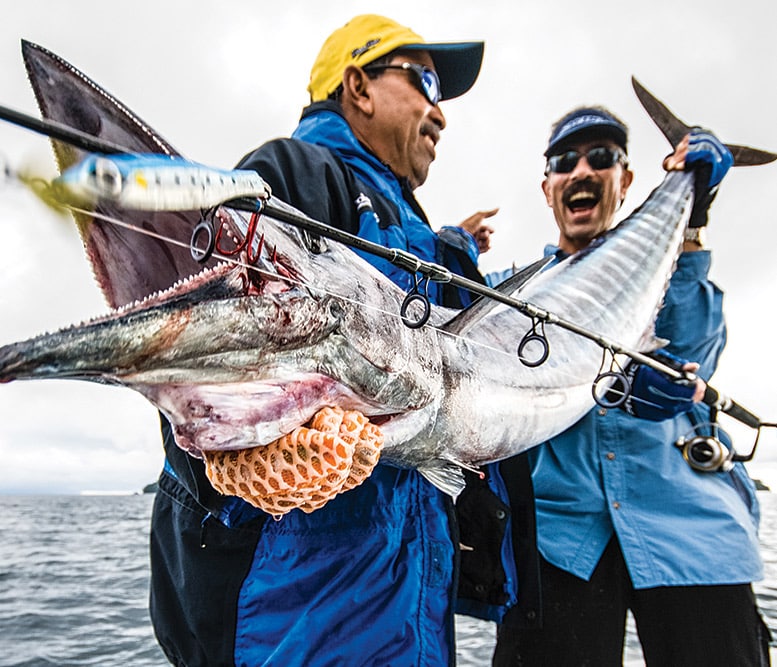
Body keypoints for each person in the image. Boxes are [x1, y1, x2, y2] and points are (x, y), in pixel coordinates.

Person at [148, 15, 523, 667]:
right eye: (425, 81)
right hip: (297, 612)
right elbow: (210, 349)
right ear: (359, 85)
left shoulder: (416, 231)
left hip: (410, 600)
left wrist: (450, 249)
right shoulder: (296, 170)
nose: (439, 113)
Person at [493, 107, 769, 666]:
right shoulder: (508, 291)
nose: (582, 171)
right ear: (547, 188)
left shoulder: (666, 265)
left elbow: (693, 353)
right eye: (564, 162)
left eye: (602, 158)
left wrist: (691, 218)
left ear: (627, 180)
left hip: (687, 527)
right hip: (560, 538)